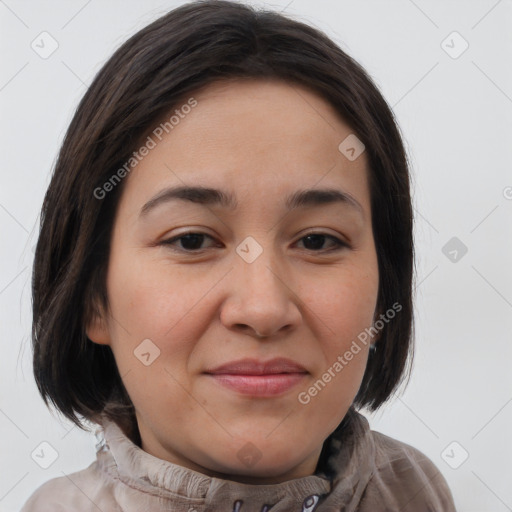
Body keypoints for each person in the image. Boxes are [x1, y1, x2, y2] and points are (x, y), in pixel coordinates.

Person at [22, 1, 457, 510]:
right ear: (94, 297)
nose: (263, 309)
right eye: (191, 241)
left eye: (317, 241)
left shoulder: (415, 492)